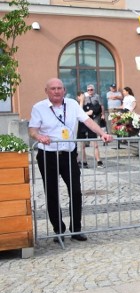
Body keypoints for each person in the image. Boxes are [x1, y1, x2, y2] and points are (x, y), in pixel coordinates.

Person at [28, 78, 112, 242]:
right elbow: (32, 129)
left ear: (64, 90)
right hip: (48, 155)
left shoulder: (72, 104)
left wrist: (102, 133)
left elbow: (87, 121)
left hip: (68, 155)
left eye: (60, 88)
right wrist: (39, 136)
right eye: (53, 88)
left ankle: (76, 229)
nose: (57, 91)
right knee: (51, 193)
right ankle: (58, 230)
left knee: (75, 191)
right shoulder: (39, 107)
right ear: (46, 91)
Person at [77, 90, 104, 169]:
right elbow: (79, 113)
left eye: (84, 97)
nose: (84, 98)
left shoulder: (90, 104)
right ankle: (84, 162)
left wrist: (82, 114)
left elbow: (90, 112)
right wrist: (81, 102)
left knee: (95, 145)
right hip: (81, 127)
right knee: (82, 146)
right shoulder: (76, 106)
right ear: (78, 97)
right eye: (81, 97)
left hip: (90, 126)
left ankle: (99, 161)